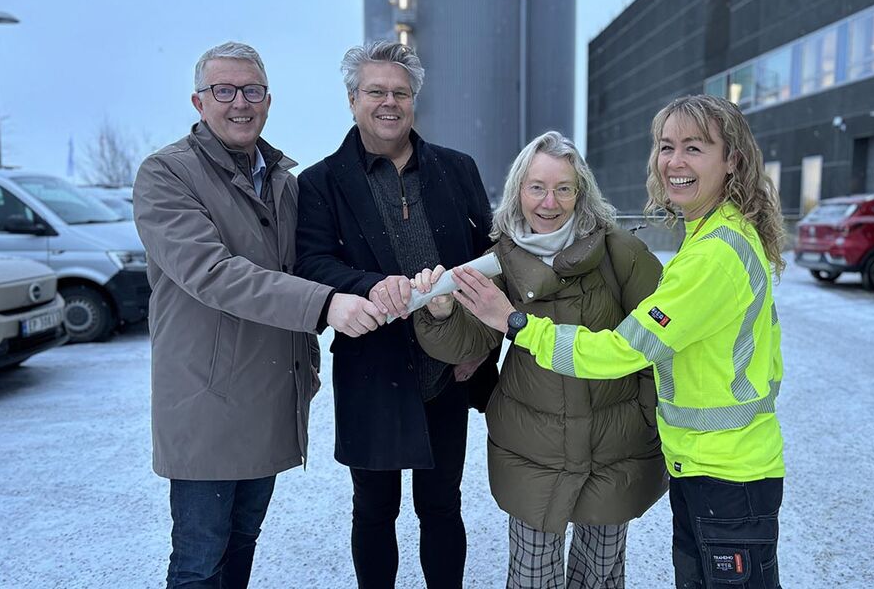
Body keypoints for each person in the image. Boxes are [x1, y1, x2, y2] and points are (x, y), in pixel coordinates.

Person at [448, 95, 787, 589]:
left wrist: (518, 324)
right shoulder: (713, 233)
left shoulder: (711, 255)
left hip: (726, 472)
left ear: (732, 158)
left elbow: (624, 351)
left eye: (694, 148)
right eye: (666, 146)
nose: (674, 161)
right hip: (708, 464)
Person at [133, 41, 384, 588]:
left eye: (251, 90)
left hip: (268, 396)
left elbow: (310, 263)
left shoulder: (282, 182)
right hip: (208, 401)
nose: (239, 103)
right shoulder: (166, 175)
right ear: (199, 103)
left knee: (242, 543)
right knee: (200, 559)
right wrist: (325, 305)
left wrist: (394, 291)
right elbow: (212, 272)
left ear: (268, 101)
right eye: (223, 90)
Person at [411, 131, 668, 588]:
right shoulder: (499, 261)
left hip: (615, 445)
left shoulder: (621, 253)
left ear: (580, 192)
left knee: (600, 577)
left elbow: (660, 343)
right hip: (532, 448)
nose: (549, 202)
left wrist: (646, 413)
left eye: (563, 188)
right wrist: (442, 313)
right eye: (536, 187)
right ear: (518, 191)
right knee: (532, 576)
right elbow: (471, 342)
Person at [294, 41, 495, 588]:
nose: (389, 102)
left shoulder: (457, 169)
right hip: (371, 371)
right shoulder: (318, 183)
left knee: (442, 508)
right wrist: (369, 285)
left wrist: (479, 344)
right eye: (376, 91)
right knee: (374, 511)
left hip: (447, 372)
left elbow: (491, 261)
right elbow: (311, 261)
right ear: (352, 99)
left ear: (414, 101)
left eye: (400, 93)